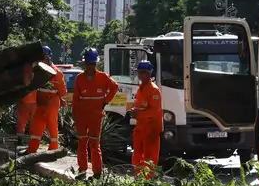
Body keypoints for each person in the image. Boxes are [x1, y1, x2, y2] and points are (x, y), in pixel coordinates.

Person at [71, 47, 118, 176]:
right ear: (85, 63)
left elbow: (114, 87)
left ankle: (97, 172)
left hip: (96, 117)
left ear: (96, 63)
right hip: (82, 116)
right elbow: (75, 99)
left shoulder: (103, 77)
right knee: (82, 142)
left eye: (93, 63)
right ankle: (82, 169)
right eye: (89, 63)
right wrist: (74, 115)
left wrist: (106, 100)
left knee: (94, 144)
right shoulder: (80, 78)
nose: (91, 66)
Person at [25, 45, 67, 154]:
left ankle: (53, 149)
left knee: (52, 125)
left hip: (52, 102)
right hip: (40, 102)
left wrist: (61, 98)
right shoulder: (37, 71)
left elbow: (62, 91)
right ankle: (32, 149)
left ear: (47, 57)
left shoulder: (57, 73)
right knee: (36, 125)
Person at [129, 60, 163, 178]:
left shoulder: (154, 90)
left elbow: (154, 111)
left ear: (149, 73)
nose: (141, 75)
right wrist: (133, 110)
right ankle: (138, 179)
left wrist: (138, 114)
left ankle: (148, 181)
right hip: (140, 127)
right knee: (137, 155)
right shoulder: (141, 88)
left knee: (149, 157)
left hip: (151, 128)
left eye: (143, 72)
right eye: (139, 72)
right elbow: (140, 105)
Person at [14, 48, 44, 148]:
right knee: (33, 122)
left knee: (22, 121)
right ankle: (32, 141)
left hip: (25, 100)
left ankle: (21, 139)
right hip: (33, 101)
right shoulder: (37, 70)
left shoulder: (24, 69)